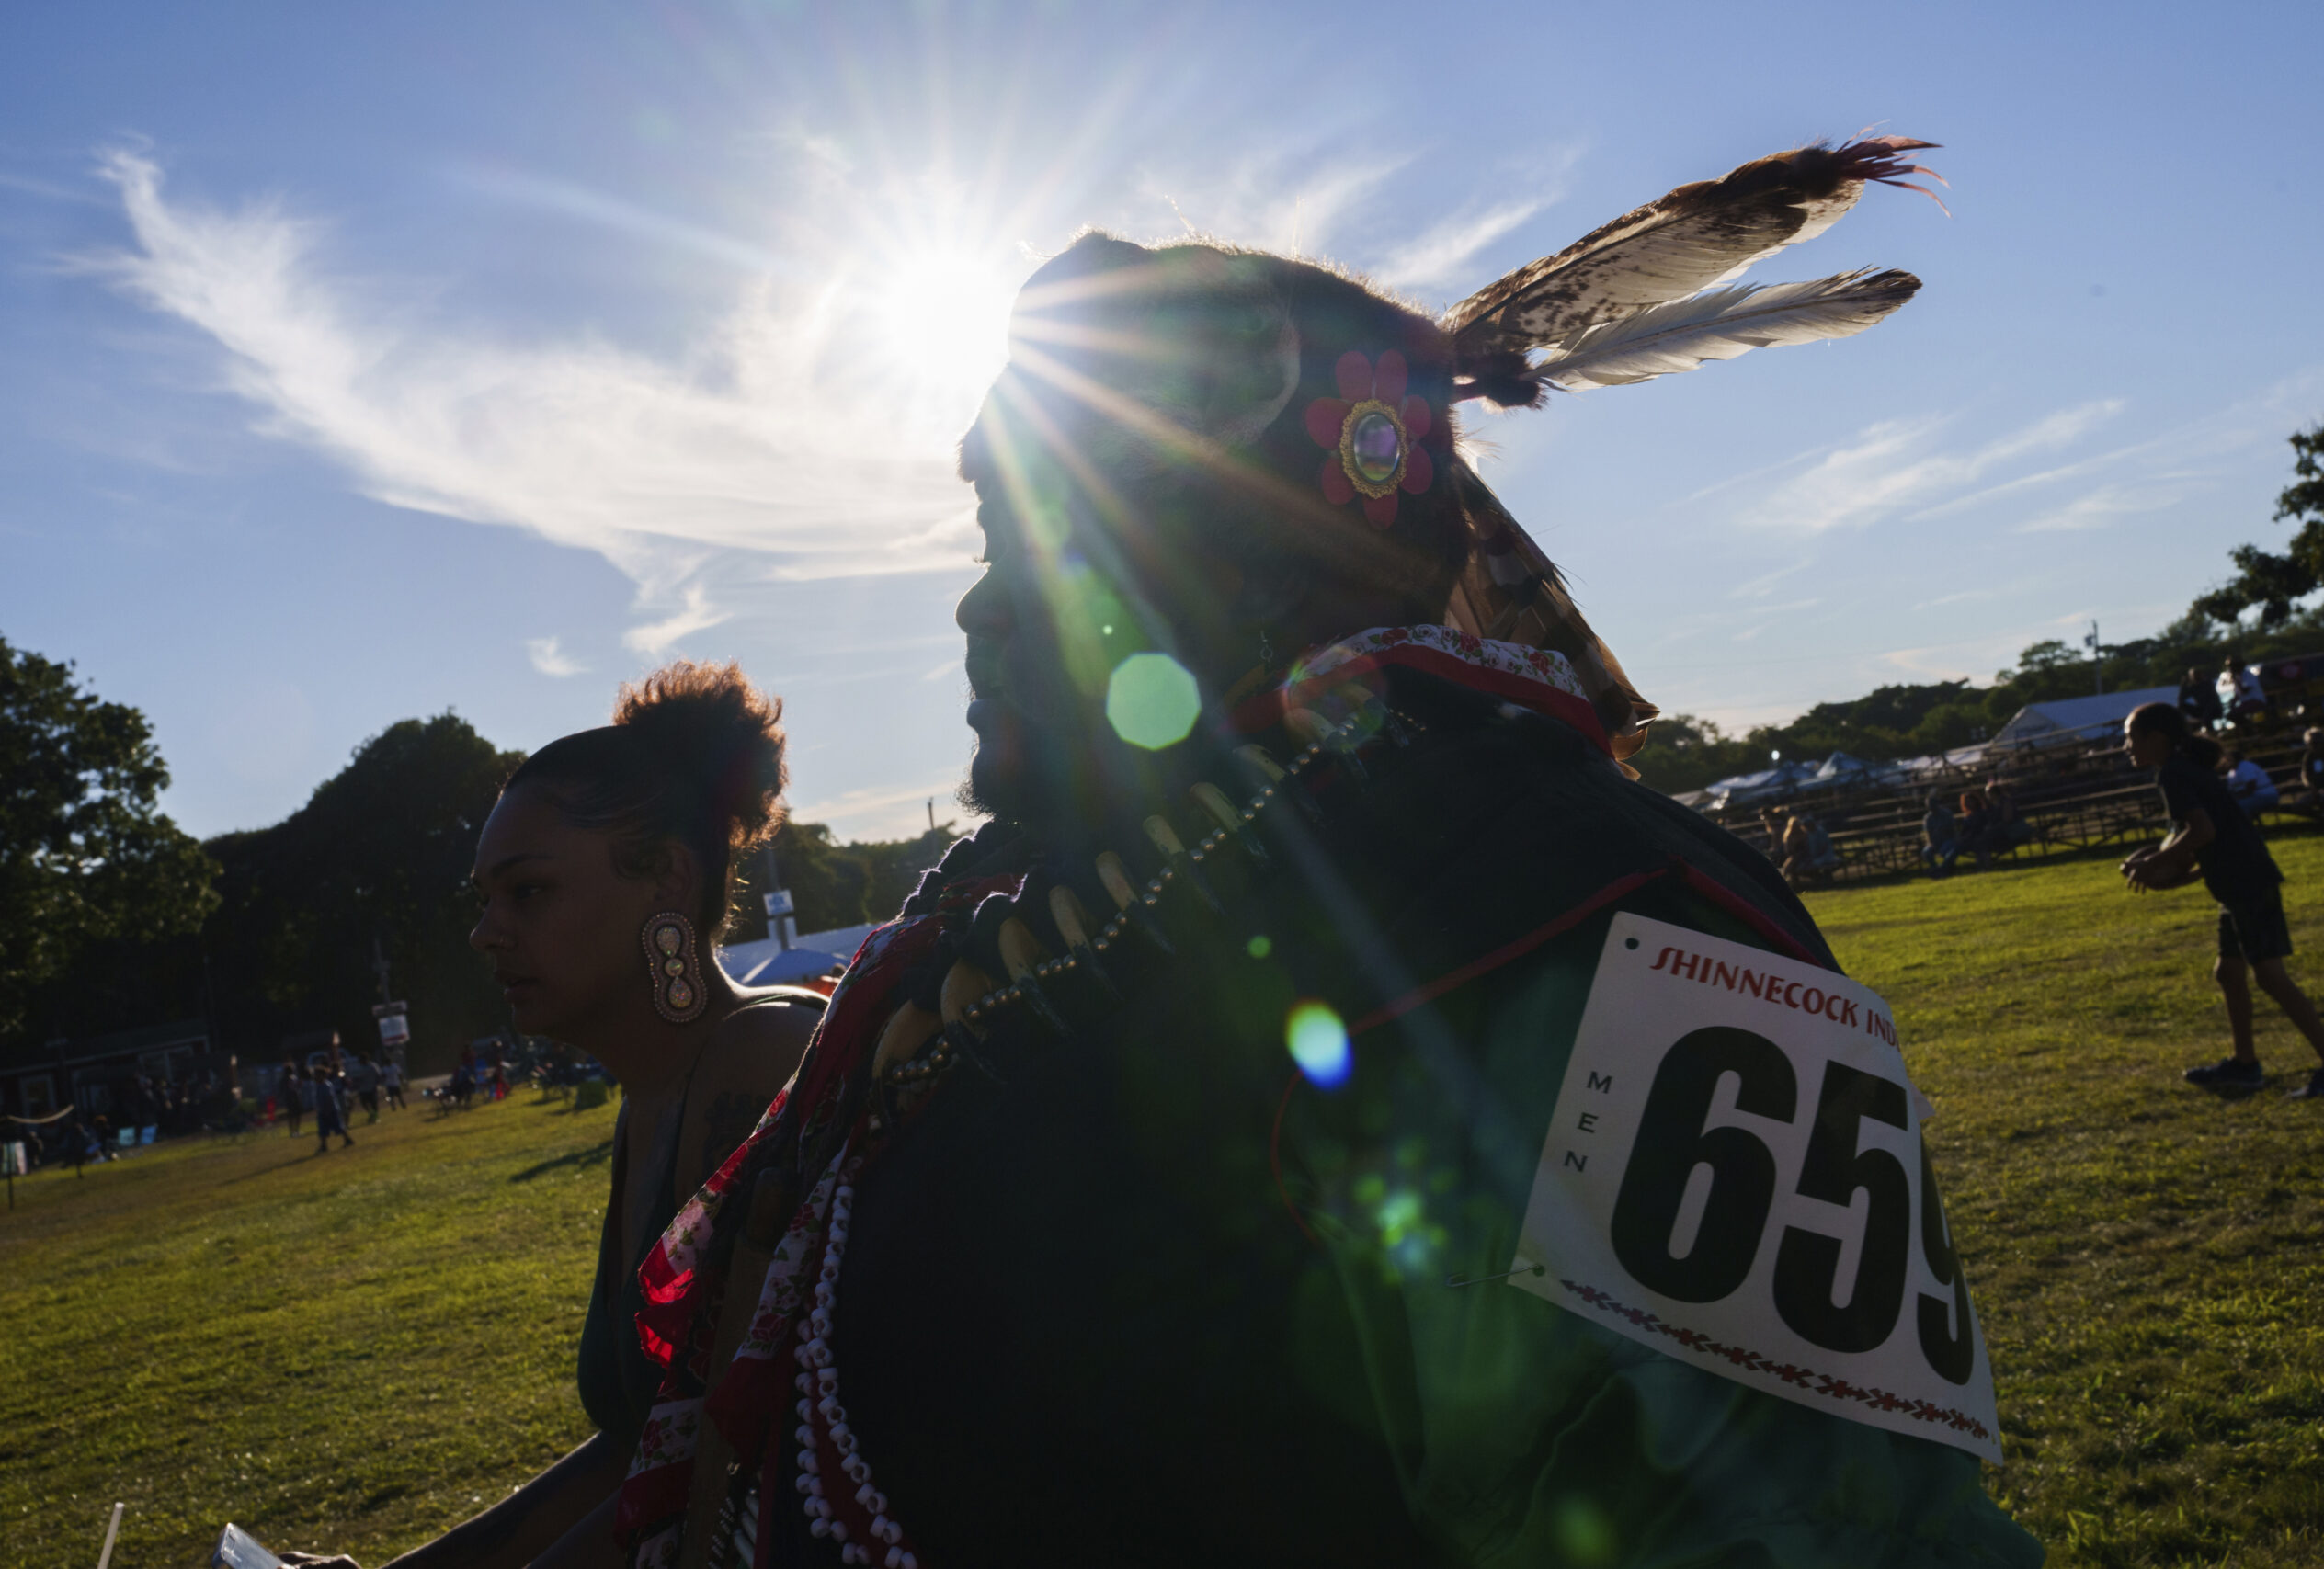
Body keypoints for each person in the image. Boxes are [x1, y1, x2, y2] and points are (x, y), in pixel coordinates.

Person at [613, 142, 2034, 1569]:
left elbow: (1810, 1526)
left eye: (1057, 531)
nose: (983, 606)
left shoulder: (1585, 917)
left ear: (1264, 556)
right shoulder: (1015, 907)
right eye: (992, 524)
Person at [281, 662, 824, 1569]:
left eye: (526, 892)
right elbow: (632, 1455)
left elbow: (716, 1481)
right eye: (485, 897)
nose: (484, 931)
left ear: (666, 880)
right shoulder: (650, 1099)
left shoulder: (756, 1061)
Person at [2120, 702, 2324, 1097]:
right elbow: (2212, 838)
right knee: (2228, 973)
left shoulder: (2172, 773)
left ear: (2156, 739)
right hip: (2238, 882)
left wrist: (2153, 863)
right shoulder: (2184, 770)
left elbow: (2203, 831)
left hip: (2247, 884)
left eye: (2131, 737)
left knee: (2271, 978)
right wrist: (2175, 874)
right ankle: (2245, 1065)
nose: (2126, 746)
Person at [2288, 726, 2324, 825]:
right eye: (2311, 743)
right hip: (2316, 790)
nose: (2314, 746)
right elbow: (2305, 775)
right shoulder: (2308, 757)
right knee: (2299, 806)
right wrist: (2312, 788)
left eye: (2316, 743)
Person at [2220, 745, 2280, 817]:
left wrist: (2237, 797)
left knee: (2238, 806)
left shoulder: (2245, 766)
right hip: (2254, 796)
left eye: (2227, 759)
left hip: (2265, 795)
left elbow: (2251, 787)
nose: (2225, 761)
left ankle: (2245, 827)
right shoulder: (2232, 772)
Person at [312, 1063, 354, 1153]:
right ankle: (324, 1145)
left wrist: (327, 1110)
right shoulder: (318, 1086)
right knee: (322, 1129)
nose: (315, 1076)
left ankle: (347, 1139)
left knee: (338, 1126)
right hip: (322, 1111)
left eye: (317, 1074)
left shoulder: (326, 1085)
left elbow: (329, 1098)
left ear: (322, 1075)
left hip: (331, 1110)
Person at [1920, 790, 1962, 875]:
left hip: (1948, 840)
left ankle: (1944, 868)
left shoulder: (1947, 814)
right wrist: (1930, 843)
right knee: (1926, 852)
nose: (1931, 806)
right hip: (1935, 842)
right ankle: (1936, 868)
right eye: (1929, 805)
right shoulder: (1928, 818)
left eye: (1932, 804)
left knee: (1946, 850)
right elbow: (1928, 833)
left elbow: (1953, 829)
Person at [2219, 654, 2268, 726]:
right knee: (2230, 714)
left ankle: (2250, 729)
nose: (2231, 669)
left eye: (2232, 666)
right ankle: (2247, 729)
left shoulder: (2247, 675)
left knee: (2235, 714)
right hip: (2246, 703)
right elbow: (2237, 695)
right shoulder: (2237, 677)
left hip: (2256, 701)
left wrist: (2236, 680)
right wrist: (2232, 703)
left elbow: (2245, 691)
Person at [2176, 665, 2222, 730]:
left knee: (2207, 714)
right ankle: (2181, 726)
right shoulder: (2192, 687)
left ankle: (2210, 731)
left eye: (2197, 674)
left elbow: (2213, 701)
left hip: (2214, 709)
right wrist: (2183, 686)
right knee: (2182, 706)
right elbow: (2181, 699)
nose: (2195, 677)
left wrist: (2206, 714)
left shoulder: (2207, 683)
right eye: (2193, 675)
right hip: (2202, 710)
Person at [278, 1060, 302, 1137]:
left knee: (297, 1115)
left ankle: (296, 1130)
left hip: (295, 1097)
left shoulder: (294, 1077)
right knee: (292, 1115)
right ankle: (293, 1131)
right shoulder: (285, 1079)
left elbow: (297, 1087)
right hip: (290, 1098)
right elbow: (282, 1090)